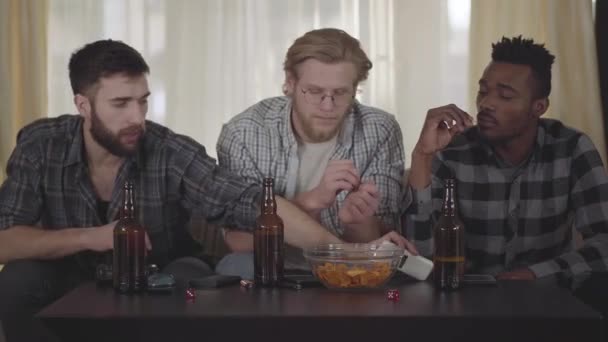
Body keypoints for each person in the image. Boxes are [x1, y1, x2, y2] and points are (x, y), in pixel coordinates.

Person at [0, 39, 408, 342]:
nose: (136, 118)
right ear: (83, 105)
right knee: (17, 279)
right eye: (120, 103)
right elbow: (6, 241)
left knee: (189, 283)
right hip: (66, 272)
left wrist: (347, 253)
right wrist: (95, 238)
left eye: (143, 102)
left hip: (162, 273)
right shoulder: (41, 144)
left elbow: (250, 204)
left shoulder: (169, 150)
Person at [404, 36, 608, 312]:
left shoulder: (571, 148)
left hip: (550, 297)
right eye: (483, 91)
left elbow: (604, 243)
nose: (486, 103)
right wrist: (422, 156)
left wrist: (536, 274)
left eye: (505, 95)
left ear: (538, 107)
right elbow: (422, 258)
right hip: (466, 301)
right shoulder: (453, 151)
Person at [214, 28, 412, 278]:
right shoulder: (244, 133)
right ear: (290, 82)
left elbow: (379, 243)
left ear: (355, 88)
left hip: (349, 271)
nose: (328, 106)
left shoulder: (380, 129)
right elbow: (238, 241)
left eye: (340, 93)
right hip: (271, 266)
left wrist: (357, 222)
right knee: (237, 265)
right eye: (315, 91)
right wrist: (313, 201)